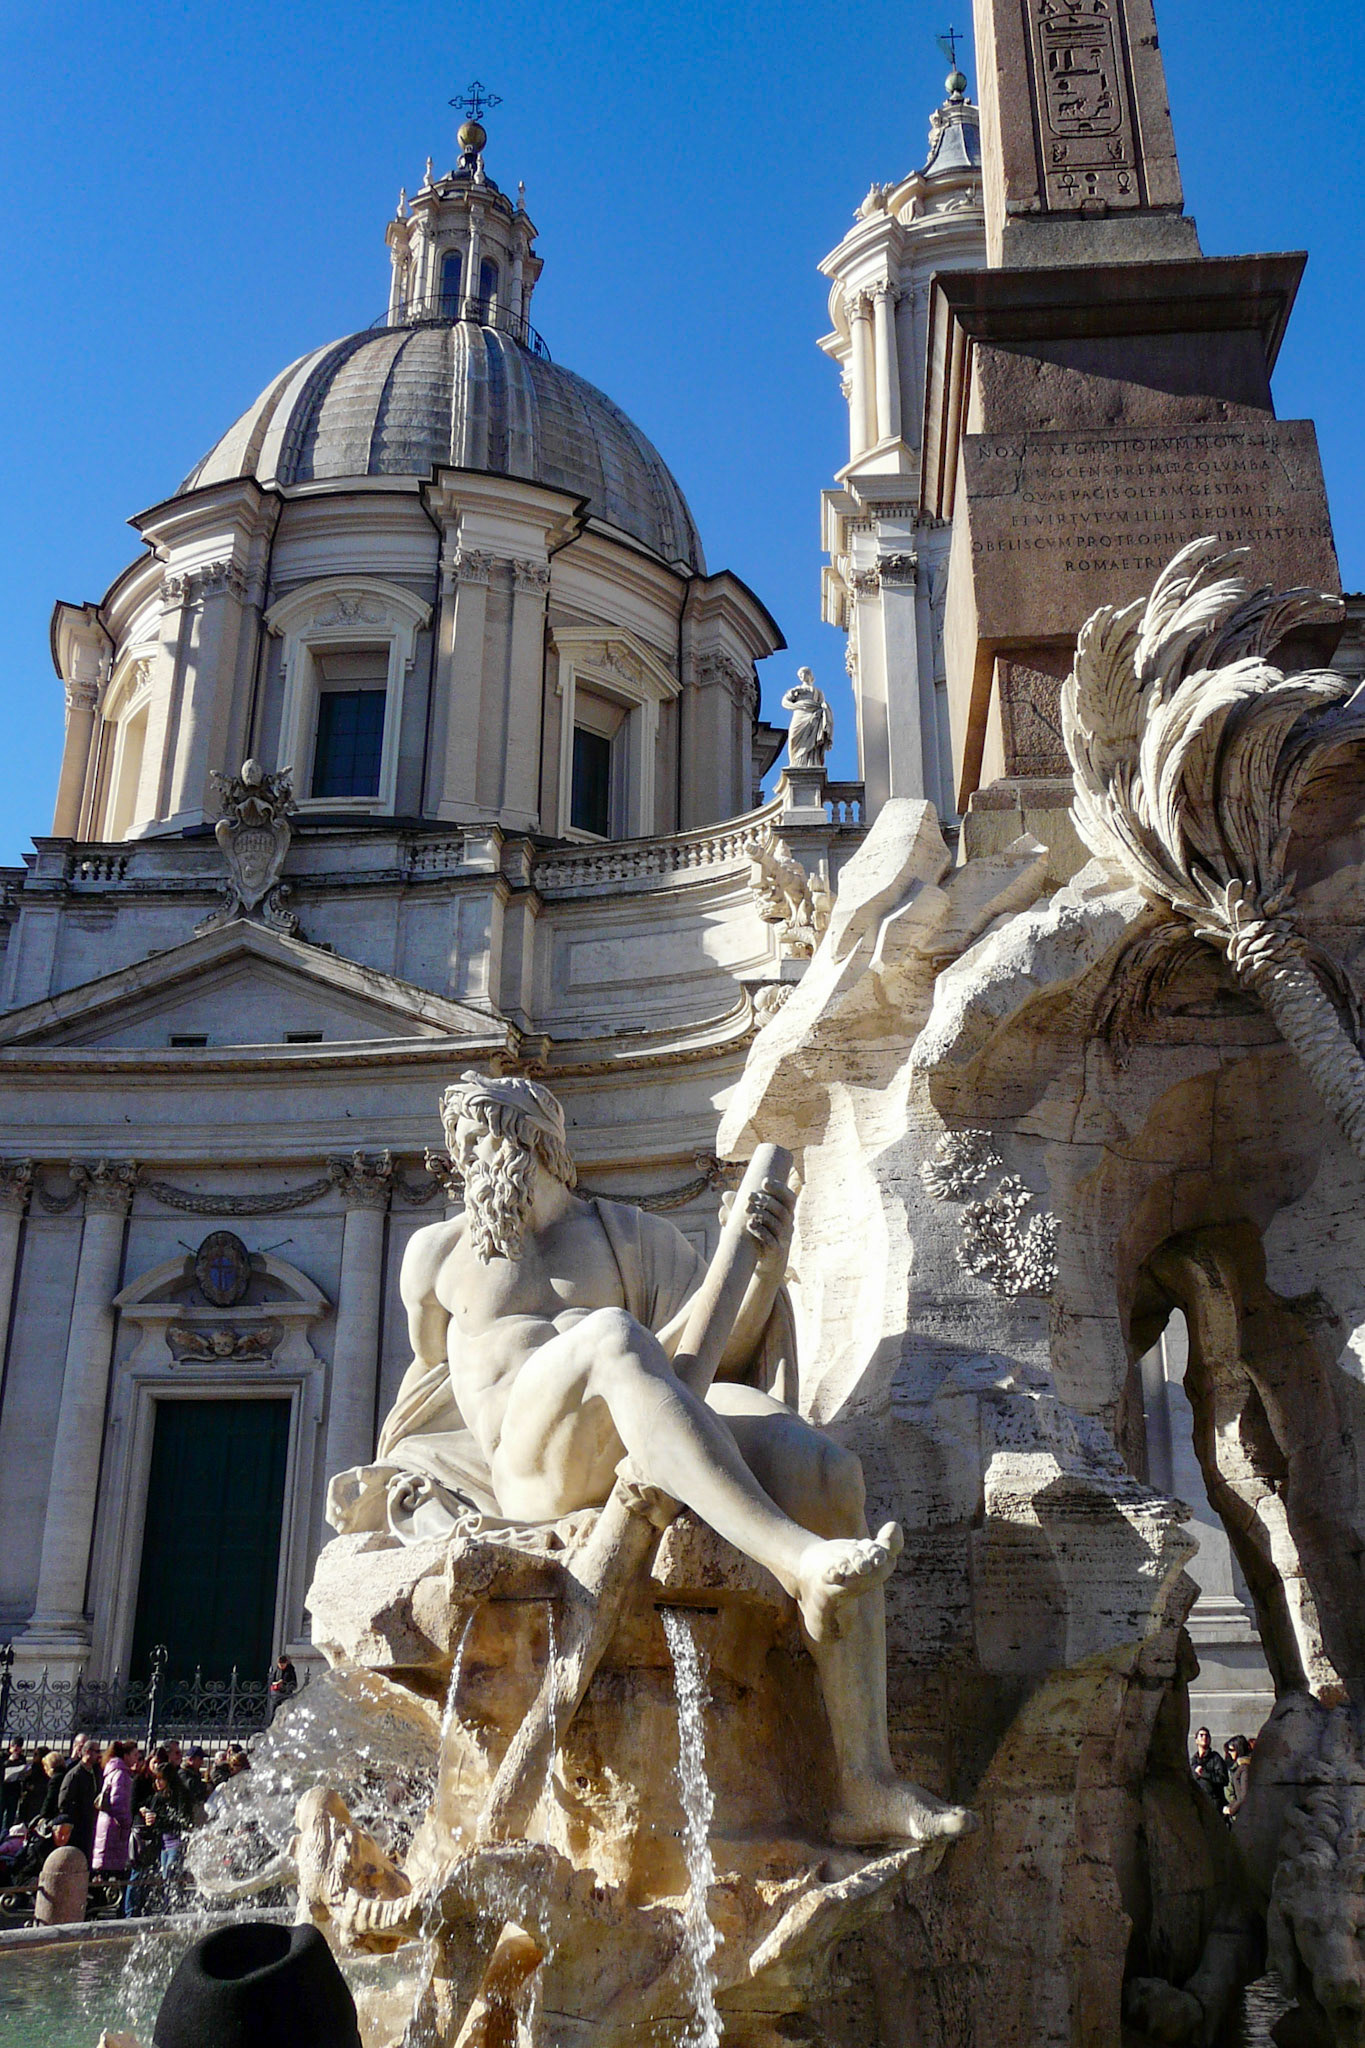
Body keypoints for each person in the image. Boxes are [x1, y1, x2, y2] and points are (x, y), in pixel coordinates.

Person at [333, 1071, 972, 1847]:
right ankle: (796, 1560)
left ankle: (864, 1784)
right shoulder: (436, 1254)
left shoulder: (629, 1235)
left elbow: (709, 1359)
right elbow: (430, 1387)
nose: (470, 1159)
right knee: (607, 1335)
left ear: (540, 1143)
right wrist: (412, 1480)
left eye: (485, 1136)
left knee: (822, 1469)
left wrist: (762, 1265)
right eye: (461, 1144)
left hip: (639, 1412)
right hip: (531, 1465)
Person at [92, 1740, 136, 1884]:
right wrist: (126, 1824)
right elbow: (118, 1803)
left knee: (105, 1868)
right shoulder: (121, 1774)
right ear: (126, 1755)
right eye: (134, 1754)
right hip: (115, 1828)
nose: (136, 1759)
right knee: (114, 1871)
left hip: (107, 1825)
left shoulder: (111, 1771)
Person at [56, 1740, 101, 1863]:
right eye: (97, 1751)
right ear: (87, 1752)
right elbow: (64, 1801)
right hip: (78, 1826)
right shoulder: (75, 1774)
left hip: (90, 1822)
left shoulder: (95, 1772)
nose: (99, 1755)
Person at [1191, 1726, 1230, 1810]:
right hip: (1197, 1802)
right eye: (1201, 1735)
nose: (1204, 1737)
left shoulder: (1215, 1758)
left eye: (1207, 1735)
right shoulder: (1193, 1761)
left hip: (1213, 1803)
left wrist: (1203, 1773)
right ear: (1196, 1740)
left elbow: (1223, 1779)